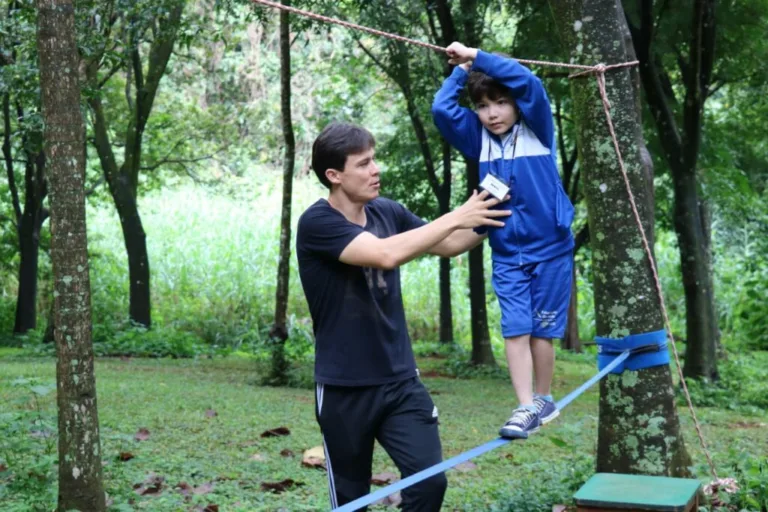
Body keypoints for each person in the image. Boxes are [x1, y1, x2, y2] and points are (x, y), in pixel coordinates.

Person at [296, 122, 510, 510]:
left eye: (374, 160)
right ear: (334, 176)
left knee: (430, 484)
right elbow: (385, 254)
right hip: (344, 388)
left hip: (400, 384)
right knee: (351, 500)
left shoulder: (387, 211)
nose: (375, 170)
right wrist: (460, 212)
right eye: (363, 164)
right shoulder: (318, 223)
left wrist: (497, 209)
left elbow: (450, 243)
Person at [431, 42, 575, 439]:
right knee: (515, 326)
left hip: (551, 249)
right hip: (507, 251)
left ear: (515, 104)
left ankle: (543, 399)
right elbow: (442, 110)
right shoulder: (479, 140)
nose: (492, 113)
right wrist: (460, 72)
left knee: (543, 330)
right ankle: (524, 405)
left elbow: (527, 82)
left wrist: (476, 55)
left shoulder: (538, 128)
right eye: (483, 105)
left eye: (500, 103)